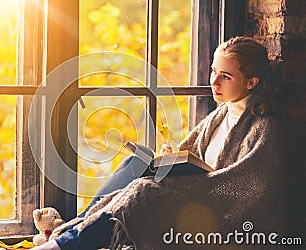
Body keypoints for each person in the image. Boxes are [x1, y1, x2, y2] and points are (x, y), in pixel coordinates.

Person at [36, 36, 288, 250]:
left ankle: (63, 244)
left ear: (251, 82)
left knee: (141, 193)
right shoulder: (221, 114)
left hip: (213, 209)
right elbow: (194, 157)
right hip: (195, 190)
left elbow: (248, 192)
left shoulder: (265, 128)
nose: (214, 81)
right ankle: (72, 230)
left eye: (225, 76)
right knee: (137, 160)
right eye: (213, 71)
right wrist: (170, 157)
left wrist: (195, 181)